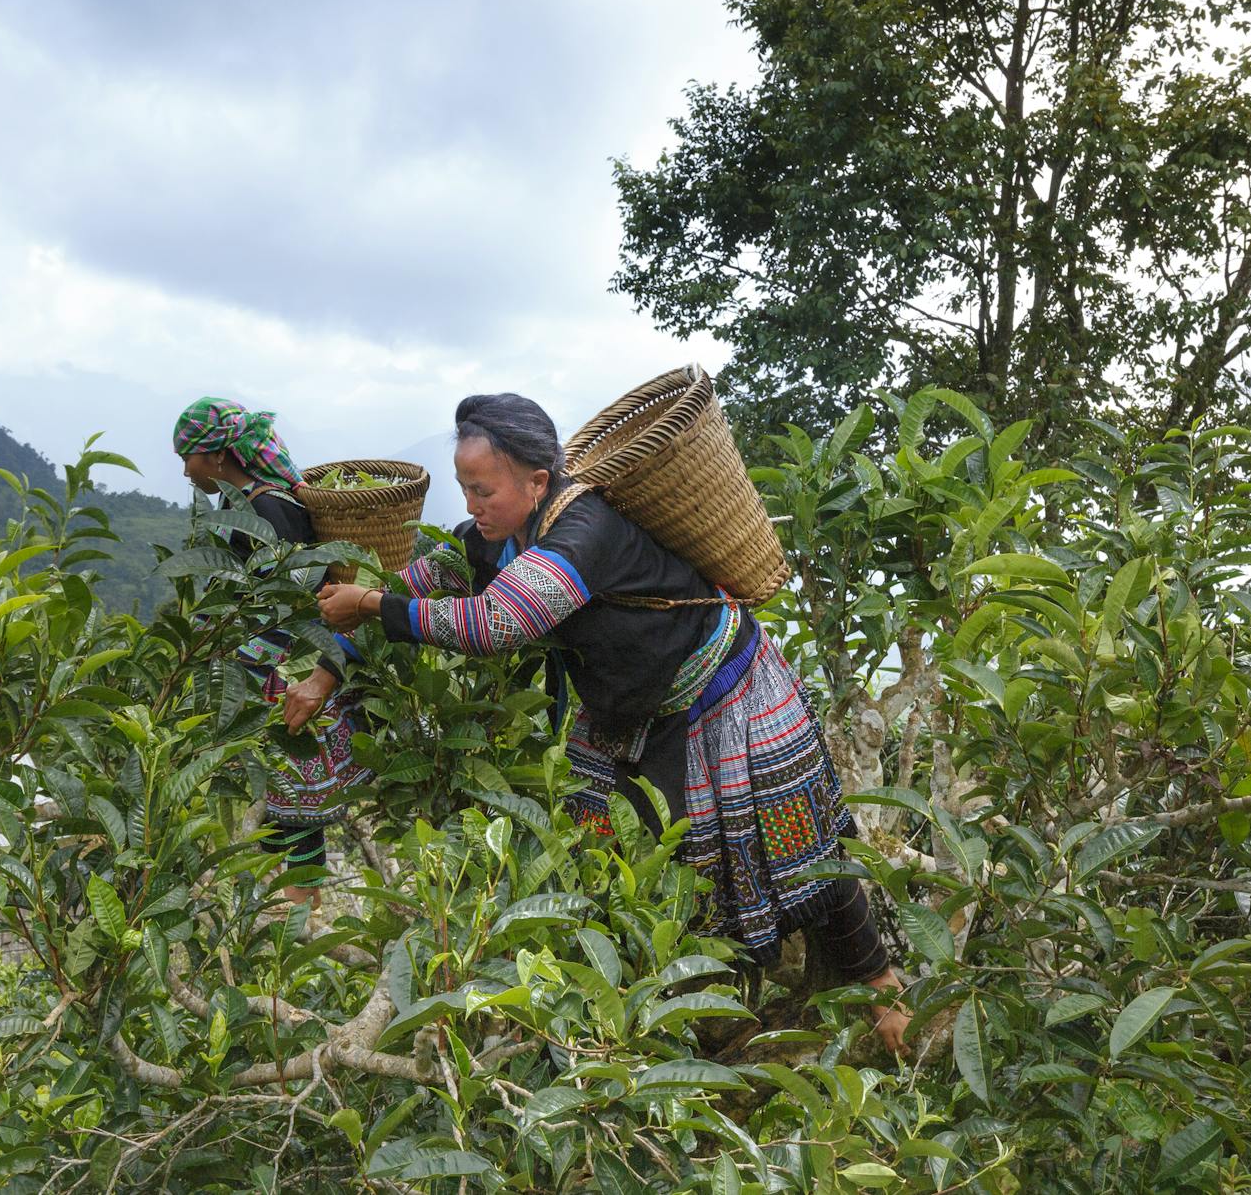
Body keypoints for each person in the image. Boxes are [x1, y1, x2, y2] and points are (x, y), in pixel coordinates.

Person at [316, 392, 911, 1054]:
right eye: (464, 488)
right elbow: (416, 581)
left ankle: (882, 986)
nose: (471, 505)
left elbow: (497, 623)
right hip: (628, 710)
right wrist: (327, 666)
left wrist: (371, 604)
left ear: (537, 481)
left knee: (797, 843)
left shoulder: (584, 530)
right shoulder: (489, 540)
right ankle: (677, 1025)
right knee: (614, 858)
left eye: (482, 489)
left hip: (726, 688)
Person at [172, 397, 369, 901]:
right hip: (272, 678)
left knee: (295, 812)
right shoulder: (245, 505)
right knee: (282, 810)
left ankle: (303, 919)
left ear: (217, 457)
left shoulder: (268, 509)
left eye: (187, 456)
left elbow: (297, 598)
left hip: (290, 678)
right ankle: (295, 915)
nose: (184, 469)